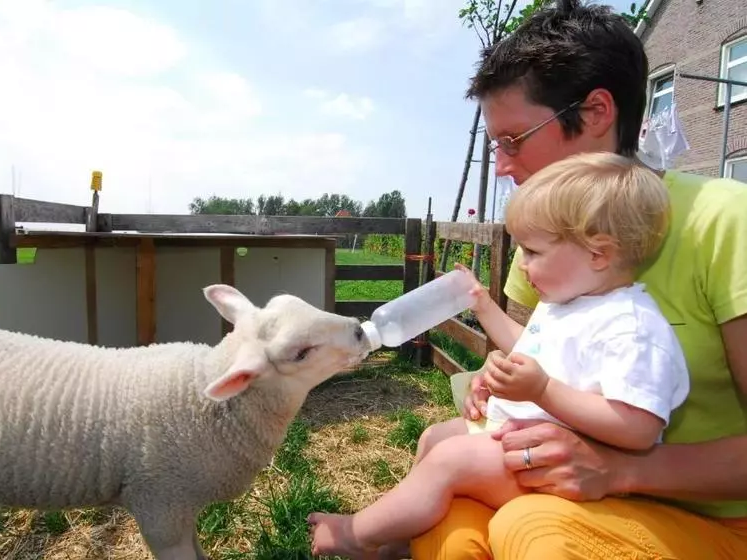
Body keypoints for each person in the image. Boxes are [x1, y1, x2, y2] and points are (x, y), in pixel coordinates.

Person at [407, 1, 747, 559]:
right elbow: (537, 360)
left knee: (531, 530)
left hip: (704, 516)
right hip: (569, 489)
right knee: (449, 526)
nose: (502, 165)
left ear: (594, 113)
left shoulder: (727, 221)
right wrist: (487, 384)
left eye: (513, 140)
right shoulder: (547, 237)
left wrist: (621, 470)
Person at [307, 152, 690, 559]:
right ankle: (395, 542)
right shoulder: (568, 301)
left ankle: (358, 533)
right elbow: (529, 345)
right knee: (436, 437)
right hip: (520, 441)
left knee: (452, 460)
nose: (521, 265)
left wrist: (542, 391)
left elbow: (639, 428)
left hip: (560, 474)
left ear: (599, 254)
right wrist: (483, 305)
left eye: (534, 251)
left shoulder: (631, 327)